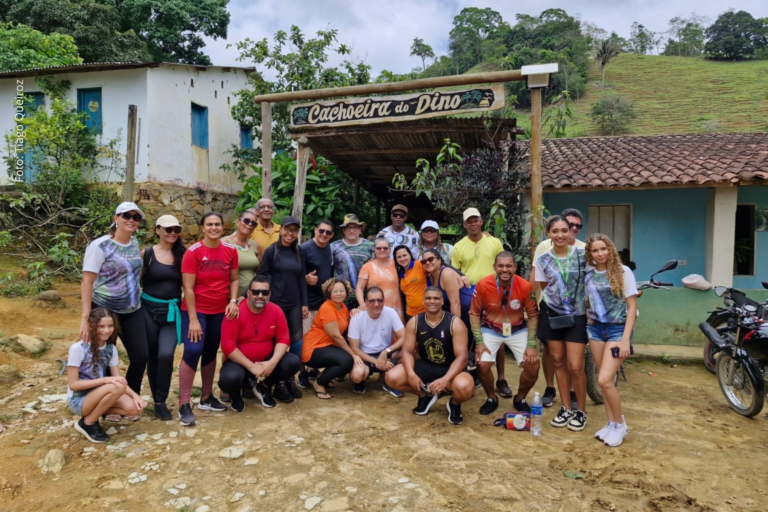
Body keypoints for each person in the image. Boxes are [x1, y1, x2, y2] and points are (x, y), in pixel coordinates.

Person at [80, 202, 148, 402]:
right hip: (105, 309)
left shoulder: (135, 244)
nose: (131, 220)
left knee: (140, 356)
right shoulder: (100, 246)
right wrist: (85, 318)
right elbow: (87, 282)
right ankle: (104, 401)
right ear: (116, 218)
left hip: (132, 309)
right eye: (126, 215)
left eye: (136, 217)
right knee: (103, 358)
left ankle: (129, 397)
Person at [178, 212, 240, 426]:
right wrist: (193, 320)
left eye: (217, 224)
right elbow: (188, 288)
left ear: (223, 227)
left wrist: (233, 300)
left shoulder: (231, 250)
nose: (214, 228)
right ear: (202, 228)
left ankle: (206, 397)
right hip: (196, 310)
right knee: (194, 350)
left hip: (219, 311)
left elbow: (234, 279)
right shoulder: (193, 252)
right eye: (209, 224)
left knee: (211, 350)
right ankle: (183, 403)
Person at [384, 287, 474, 425]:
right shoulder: (414, 322)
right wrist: (411, 374)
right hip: (425, 365)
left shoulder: (455, 323)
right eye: (428, 298)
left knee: (465, 387)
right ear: (423, 301)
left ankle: (454, 404)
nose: (432, 301)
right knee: (392, 377)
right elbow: (407, 351)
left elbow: (462, 357)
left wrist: (445, 379)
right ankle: (425, 395)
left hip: (450, 367)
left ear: (442, 301)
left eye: (436, 298)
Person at [535, 215, 589, 432]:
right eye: (555, 231)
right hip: (552, 314)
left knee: (575, 366)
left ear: (571, 232)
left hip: (577, 315)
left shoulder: (583, 256)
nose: (560, 235)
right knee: (557, 361)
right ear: (548, 234)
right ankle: (566, 408)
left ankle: (581, 411)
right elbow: (544, 286)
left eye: (564, 230)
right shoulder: (543, 260)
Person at [219, 276, 303, 411]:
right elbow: (228, 346)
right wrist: (251, 366)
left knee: (292, 362)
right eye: (256, 292)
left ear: (269, 294)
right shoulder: (235, 312)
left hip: (266, 360)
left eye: (264, 293)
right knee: (229, 378)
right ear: (248, 293)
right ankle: (235, 393)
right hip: (240, 362)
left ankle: (264, 387)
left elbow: (283, 339)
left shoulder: (276, 310)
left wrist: (272, 363)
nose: (260, 296)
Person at [584, 233, 637, 447]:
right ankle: (610, 424)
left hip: (617, 330)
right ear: (590, 253)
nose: (600, 253)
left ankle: (620, 424)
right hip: (595, 330)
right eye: (595, 250)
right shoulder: (588, 274)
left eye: (603, 249)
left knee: (604, 379)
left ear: (610, 249)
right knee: (606, 382)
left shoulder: (623, 272)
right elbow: (588, 301)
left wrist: (625, 340)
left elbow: (632, 306)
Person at [471, 252, 540, 416]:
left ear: (515, 267)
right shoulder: (483, 284)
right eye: (500, 266)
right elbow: (474, 313)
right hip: (491, 328)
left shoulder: (525, 286)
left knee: (533, 365)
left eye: (509, 265)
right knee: (482, 363)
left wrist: (531, 344)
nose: (505, 269)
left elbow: (532, 316)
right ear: (494, 267)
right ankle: (491, 398)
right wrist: (479, 341)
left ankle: (520, 399)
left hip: (517, 329)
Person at [450, 207, 509, 396]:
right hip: (469, 295)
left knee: (498, 336)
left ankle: (501, 379)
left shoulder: (494, 242)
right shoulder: (459, 246)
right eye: (469, 221)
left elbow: (504, 266)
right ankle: (471, 373)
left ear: (481, 221)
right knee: (470, 335)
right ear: (464, 224)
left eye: (476, 220)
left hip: (494, 293)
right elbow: (454, 273)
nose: (473, 223)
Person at [68, 308, 146, 443]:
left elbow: (119, 380)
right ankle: (88, 422)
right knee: (115, 387)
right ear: (92, 325)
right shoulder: (78, 348)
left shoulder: (111, 349)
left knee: (133, 409)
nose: (107, 330)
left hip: (99, 395)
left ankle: (96, 414)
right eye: (101, 326)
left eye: (110, 326)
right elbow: (73, 385)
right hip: (79, 400)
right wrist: (105, 380)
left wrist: (135, 396)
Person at [257, 216, 308, 399]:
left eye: (294, 231)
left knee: (297, 344)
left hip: (294, 304)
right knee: (277, 343)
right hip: (275, 305)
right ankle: (277, 382)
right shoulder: (272, 251)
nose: (290, 233)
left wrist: (304, 303)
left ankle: (288, 380)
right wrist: (264, 299)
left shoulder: (299, 252)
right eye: (287, 229)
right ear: (281, 230)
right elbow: (263, 274)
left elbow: (301, 278)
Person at [140, 215, 185, 421]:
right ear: (158, 230)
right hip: (148, 310)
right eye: (168, 229)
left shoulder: (183, 255)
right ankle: (158, 403)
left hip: (171, 313)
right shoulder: (147, 254)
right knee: (152, 355)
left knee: (166, 355)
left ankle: (161, 398)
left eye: (176, 230)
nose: (173, 233)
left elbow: (190, 286)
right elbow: (135, 280)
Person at [301, 278, 364, 399]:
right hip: (313, 347)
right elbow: (336, 336)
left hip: (327, 346)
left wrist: (354, 311)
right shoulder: (327, 308)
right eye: (335, 291)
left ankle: (323, 378)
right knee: (347, 360)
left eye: (342, 290)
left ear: (346, 292)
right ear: (329, 293)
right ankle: (319, 384)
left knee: (344, 359)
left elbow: (345, 328)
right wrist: (353, 354)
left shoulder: (342, 307)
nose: (339, 293)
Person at [347, 286, 406, 396]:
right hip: (365, 355)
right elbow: (354, 347)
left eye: (380, 300)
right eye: (372, 301)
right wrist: (376, 362)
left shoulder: (390, 312)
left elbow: (405, 336)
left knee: (412, 349)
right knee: (357, 376)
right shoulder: (357, 317)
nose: (376, 304)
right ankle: (365, 378)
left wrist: (386, 351)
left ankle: (388, 379)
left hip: (386, 352)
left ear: (384, 301)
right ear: (365, 302)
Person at [299, 219, 335, 388]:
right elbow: (295, 273)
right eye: (321, 231)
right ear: (315, 230)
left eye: (328, 232)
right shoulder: (304, 248)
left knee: (318, 339)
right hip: (307, 302)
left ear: (332, 235)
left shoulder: (329, 248)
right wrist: (305, 278)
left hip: (323, 303)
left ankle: (313, 369)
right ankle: (302, 372)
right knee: (303, 339)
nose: (324, 235)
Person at [331, 214, 374, 309]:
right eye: (347, 228)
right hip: (341, 296)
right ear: (343, 230)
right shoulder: (334, 246)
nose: (351, 230)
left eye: (355, 227)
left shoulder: (370, 246)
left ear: (360, 229)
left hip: (365, 296)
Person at [356, 237, 404, 320]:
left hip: (396, 307)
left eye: (385, 248)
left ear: (389, 249)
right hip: (375, 307)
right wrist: (362, 303)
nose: (382, 250)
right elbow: (359, 288)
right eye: (379, 248)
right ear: (374, 250)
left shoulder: (397, 263)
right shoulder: (367, 266)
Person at [224, 210, 262, 296]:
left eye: (254, 223)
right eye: (246, 220)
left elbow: (259, 271)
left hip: (252, 294)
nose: (249, 224)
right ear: (237, 222)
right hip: (230, 295)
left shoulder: (255, 245)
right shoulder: (225, 243)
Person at [393, 245, 426, 323]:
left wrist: (460, 275)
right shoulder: (400, 274)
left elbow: (438, 266)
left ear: (410, 255)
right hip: (410, 314)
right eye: (399, 257)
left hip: (427, 311)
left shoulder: (419, 265)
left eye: (404, 255)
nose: (402, 259)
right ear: (396, 260)